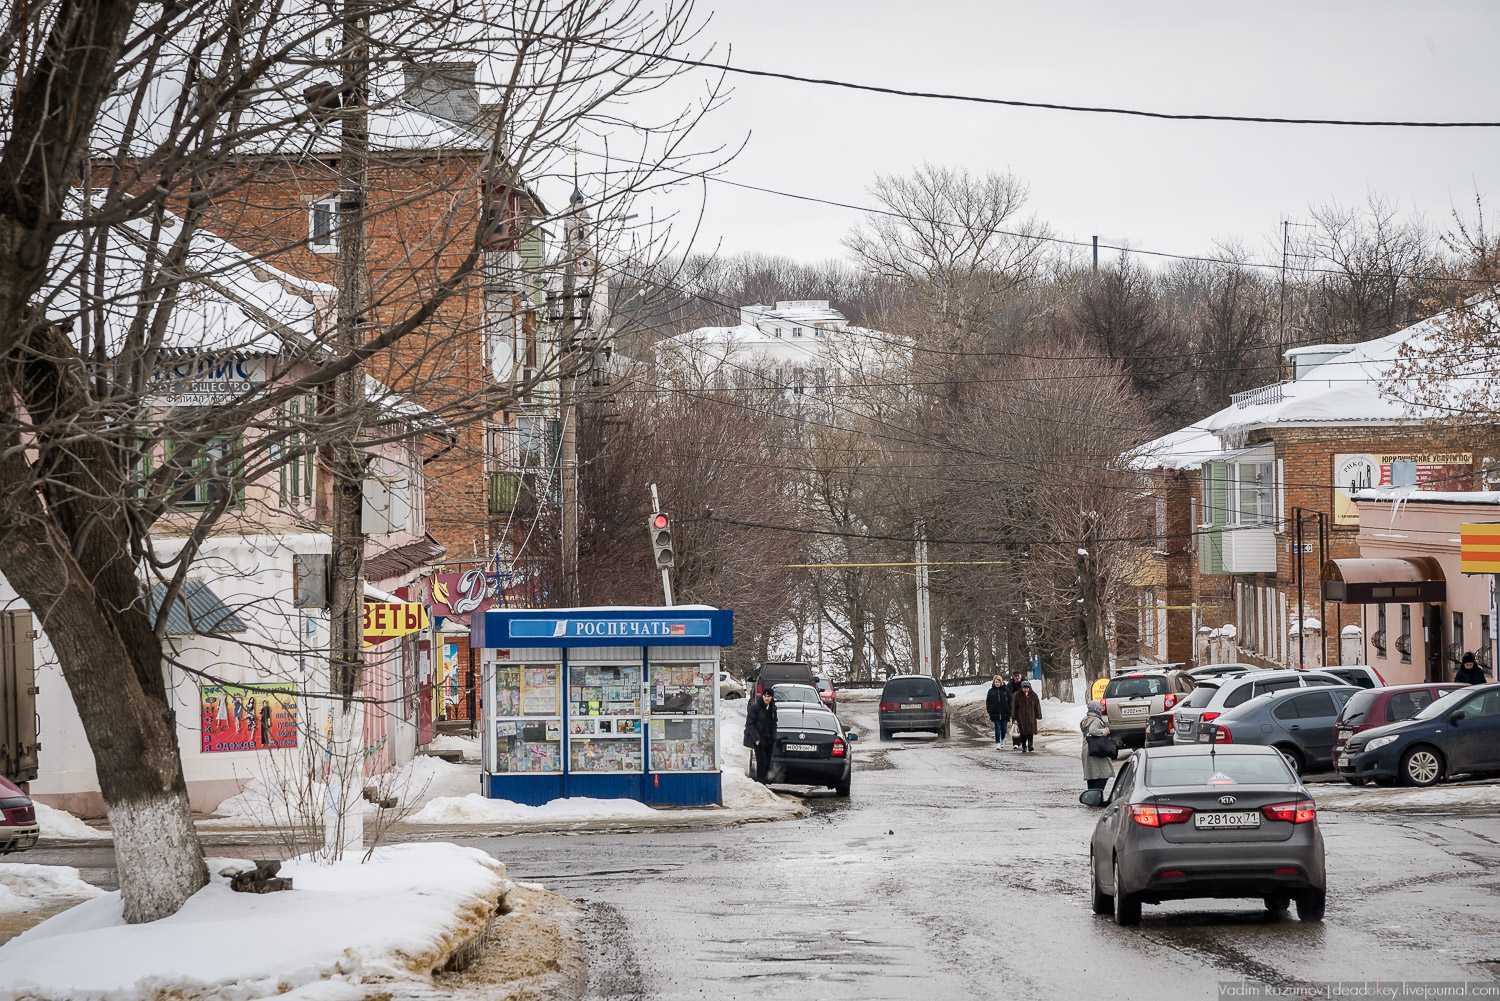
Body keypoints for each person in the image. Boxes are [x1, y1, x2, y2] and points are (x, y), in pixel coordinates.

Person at [744, 686, 778, 783]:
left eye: (768, 696)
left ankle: (765, 780)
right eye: (765, 696)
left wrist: (774, 736)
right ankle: (760, 781)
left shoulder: (773, 708)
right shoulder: (756, 707)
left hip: (769, 737)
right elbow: (750, 724)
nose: (766, 698)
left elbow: (774, 722)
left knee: (768, 761)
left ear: (772, 697)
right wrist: (756, 738)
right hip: (759, 737)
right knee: (761, 761)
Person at [1081, 701, 1115, 790]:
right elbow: (1093, 731)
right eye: (1099, 708)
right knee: (1104, 773)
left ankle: (1091, 795)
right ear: (1096, 709)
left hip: (1088, 748)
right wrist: (1104, 731)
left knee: (1092, 775)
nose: (1101, 709)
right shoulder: (1096, 720)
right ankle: (1096, 794)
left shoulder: (1086, 719)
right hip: (1097, 749)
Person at [1011, 680, 1042, 753]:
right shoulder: (1017, 695)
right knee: (1023, 733)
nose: (1026, 689)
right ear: (1022, 688)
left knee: (1031, 732)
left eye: (1027, 688)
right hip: (1021, 717)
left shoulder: (1033, 695)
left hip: (1031, 716)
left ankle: (1030, 745)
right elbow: (1014, 706)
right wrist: (1014, 716)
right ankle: (1024, 746)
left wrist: (1038, 715)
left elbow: (1037, 706)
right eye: (1024, 688)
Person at [985, 675, 1011, 749]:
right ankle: (997, 743)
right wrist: (989, 710)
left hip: (1005, 713)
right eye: (996, 682)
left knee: (1004, 728)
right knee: (998, 728)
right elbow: (988, 701)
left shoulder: (1006, 690)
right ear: (994, 682)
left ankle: (1002, 739)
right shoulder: (991, 691)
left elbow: (1010, 700)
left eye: (998, 682)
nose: (997, 683)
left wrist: (1009, 710)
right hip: (995, 713)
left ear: (1001, 682)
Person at [1006, 671, 1026, 748]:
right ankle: (1015, 743)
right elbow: (1007, 696)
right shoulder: (1010, 685)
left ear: (1021, 676)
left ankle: (1022, 740)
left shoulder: (1025, 683)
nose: (1017, 677)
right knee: (1015, 725)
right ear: (1013, 677)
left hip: (1024, 707)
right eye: (1015, 676)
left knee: (1023, 725)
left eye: (1018, 676)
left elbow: (1029, 694)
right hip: (1014, 707)